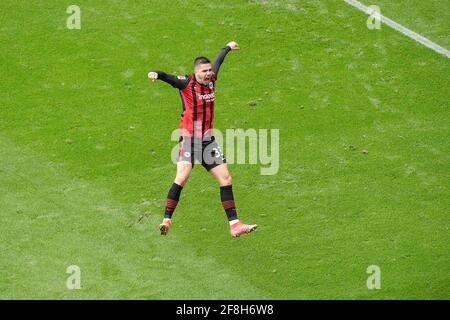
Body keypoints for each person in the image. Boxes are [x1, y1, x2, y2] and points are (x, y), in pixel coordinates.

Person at [148, 41, 257, 238]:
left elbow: (218, 62)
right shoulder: (186, 83)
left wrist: (227, 48)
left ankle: (234, 224)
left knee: (226, 179)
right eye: (204, 71)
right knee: (181, 178)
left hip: (208, 142)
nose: (208, 73)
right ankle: (166, 219)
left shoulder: (212, 79)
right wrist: (156, 74)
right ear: (196, 72)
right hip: (190, 140)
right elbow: (167, 77)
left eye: (209, 71)